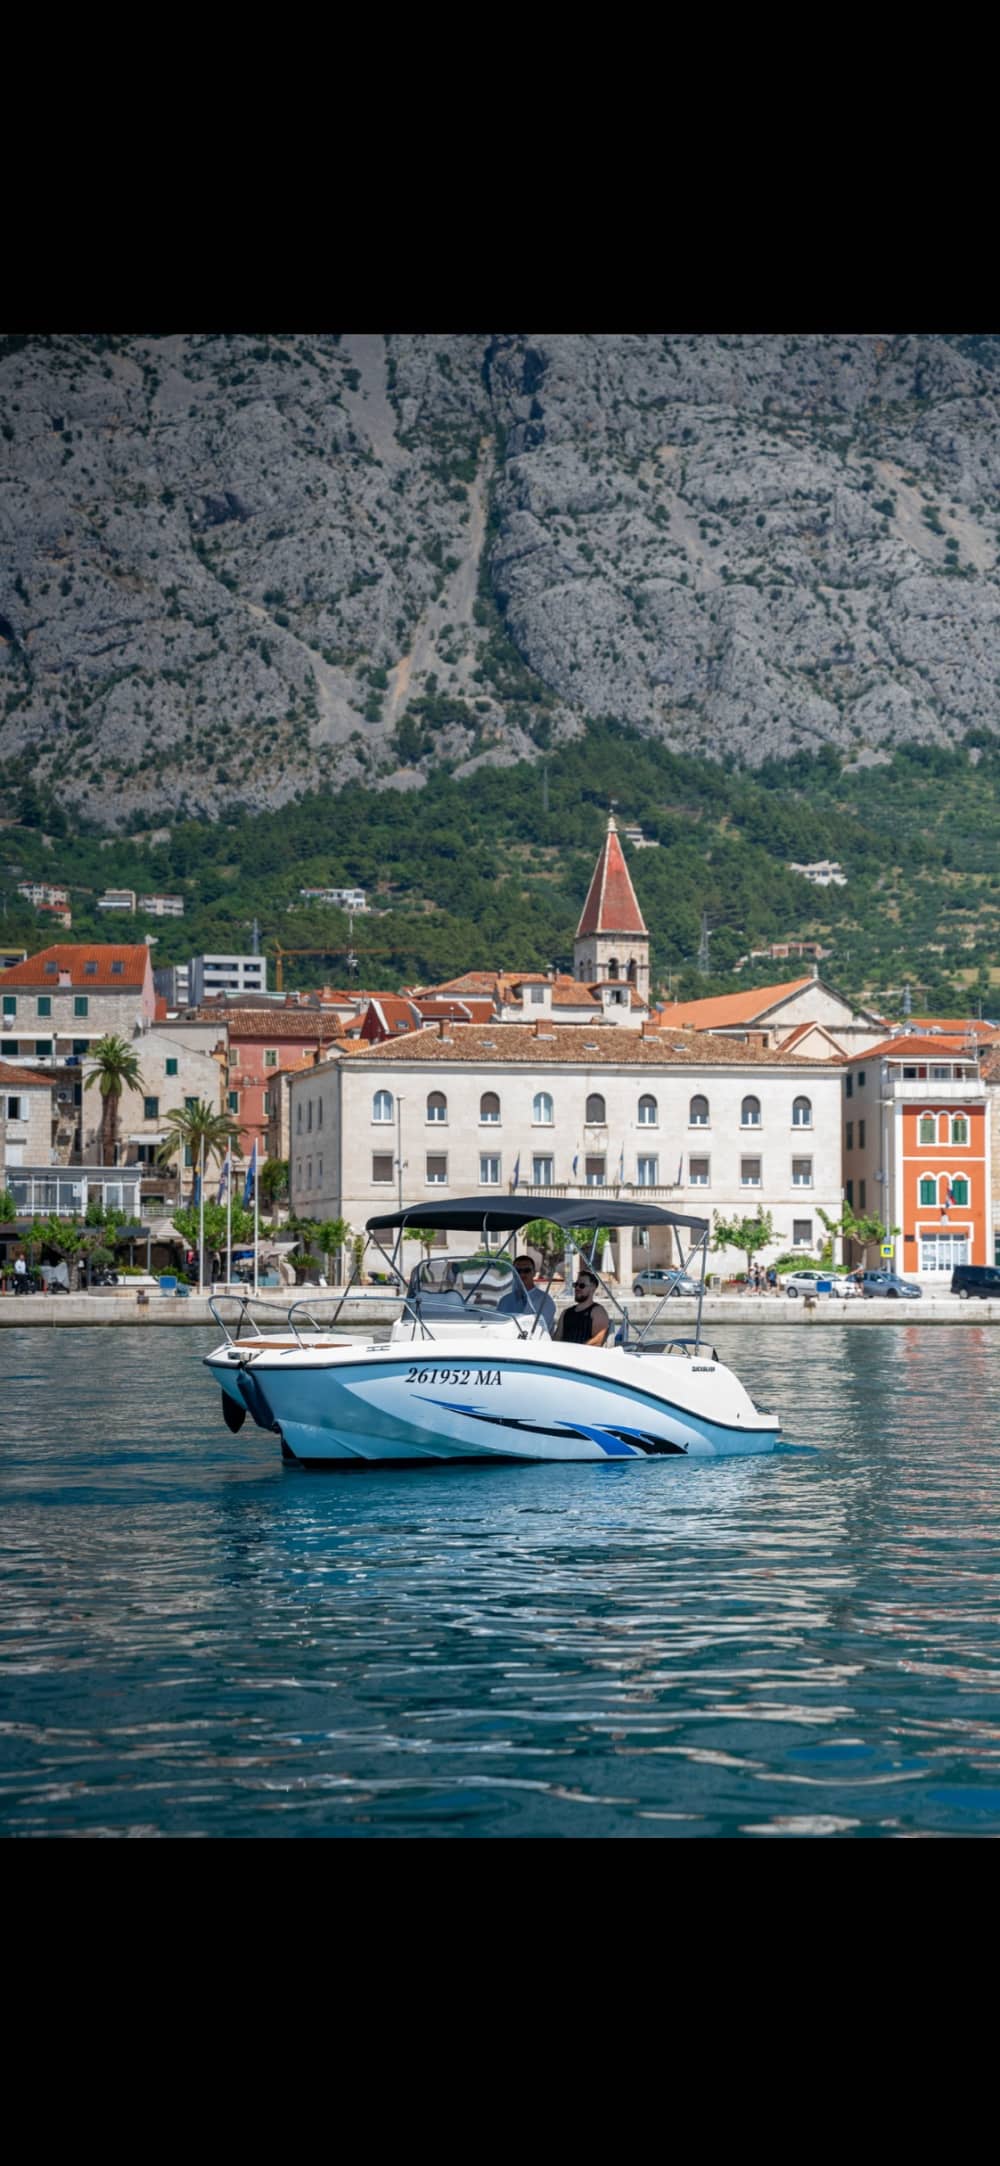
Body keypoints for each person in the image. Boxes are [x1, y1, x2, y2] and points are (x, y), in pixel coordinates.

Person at [554, 1267, 610, 1348]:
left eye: (582, 1285)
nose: (577, 1288)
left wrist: (578, 1350)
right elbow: (557, 1338)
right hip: (564, 1356)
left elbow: (599, 1340)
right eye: (576, 1285)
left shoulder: (598, 1312)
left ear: (593, 1288)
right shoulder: (566, 1313)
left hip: (585, 1357)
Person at [499, 1255, 556, 1334]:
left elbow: (543, 1330)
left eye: (527, 1270)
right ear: (513, 1273)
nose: (522, 1274)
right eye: (518, 1271)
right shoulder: (504, 1301)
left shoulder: (545, 1300)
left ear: (534, 1273)